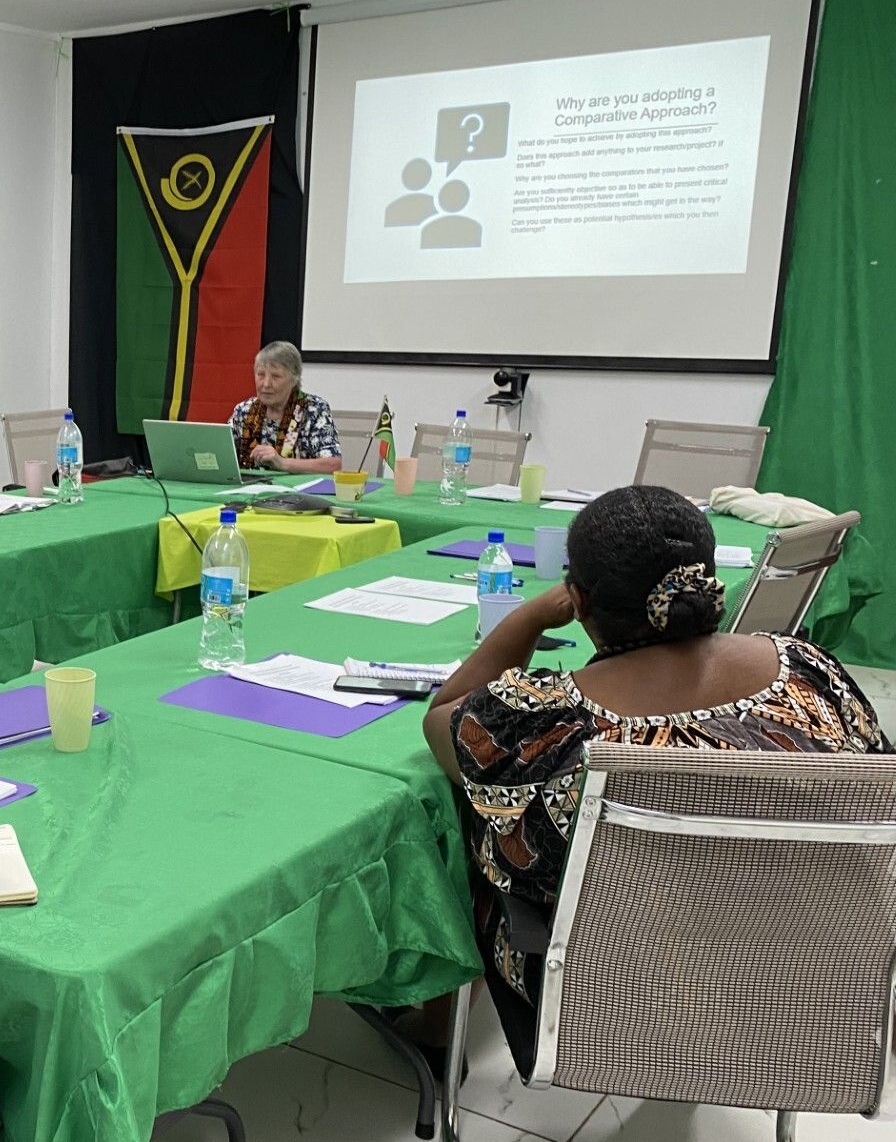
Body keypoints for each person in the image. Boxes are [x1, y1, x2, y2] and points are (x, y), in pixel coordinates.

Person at [424, 484, 890, 1070]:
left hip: (605, 999)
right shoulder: (807, 669)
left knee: (478, 815)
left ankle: (434, 1026)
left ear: (579, 600)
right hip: (809, 988)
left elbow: (444, 717)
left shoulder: (546, 721)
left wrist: (534, 613)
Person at [226, 341, 343, 473]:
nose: (266, 384)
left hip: (298, 486)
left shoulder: (314, 409)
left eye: (276, 376)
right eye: (261, 375)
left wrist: (282, 463)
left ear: (294, 380)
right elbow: (221, 455)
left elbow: (333, 465)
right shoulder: (244, 411)